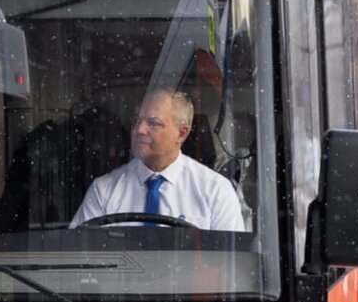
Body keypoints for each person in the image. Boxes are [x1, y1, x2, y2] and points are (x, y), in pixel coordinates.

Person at [69, 88, 245, 230]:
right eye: (136, 121)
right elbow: (77, 254)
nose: (139, 130)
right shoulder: (104, 190)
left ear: (181, 133)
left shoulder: (215, 191)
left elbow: (229, 261)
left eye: (153, 123)